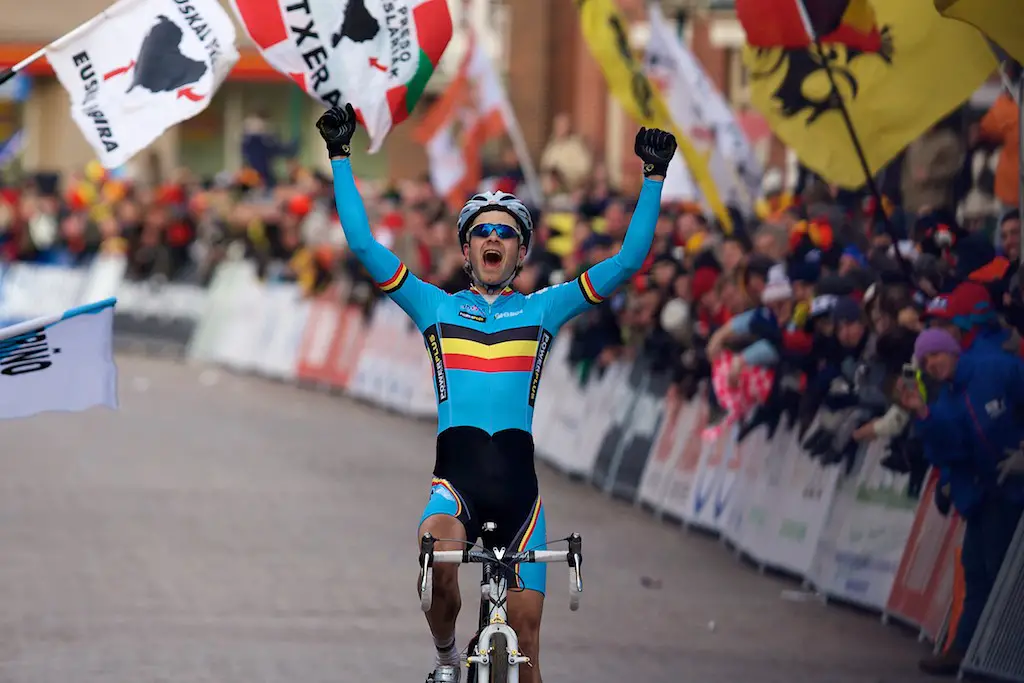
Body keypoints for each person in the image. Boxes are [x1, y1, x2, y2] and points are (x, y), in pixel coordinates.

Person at [315, 103, 676, 683]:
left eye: (505, 233)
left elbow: (630, 260)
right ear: (466, 250)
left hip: (520, 500)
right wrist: (339, 157)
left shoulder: (544, 310)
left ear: (519, 252)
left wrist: (654, 178)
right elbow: (362, 245)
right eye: (481, 231)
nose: (493, 238)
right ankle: (445, 656)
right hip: (454, 488)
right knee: (436, 562)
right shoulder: (434, 305)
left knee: (528, 645)